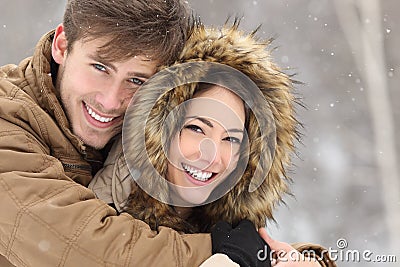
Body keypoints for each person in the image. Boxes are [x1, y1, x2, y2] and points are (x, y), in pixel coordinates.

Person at [0, 1, 265, 266]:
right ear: (62, 45)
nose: (111, 101)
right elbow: (71, 242)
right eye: (100, 68)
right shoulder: (7, 119)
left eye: (136, 80)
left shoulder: (145, 132)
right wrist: (221, 252)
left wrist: (291, 256)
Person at [89, 21, 337, 267]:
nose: (212, 156)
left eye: (231, 138)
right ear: (158, 129)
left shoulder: (239, 237)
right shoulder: (97, 215)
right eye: (196, 129)